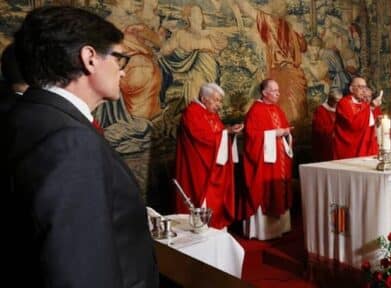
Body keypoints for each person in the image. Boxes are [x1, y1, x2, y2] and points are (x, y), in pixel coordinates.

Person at [5, 6, 158, 287]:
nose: (123, 73)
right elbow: (80, 272)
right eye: (119, 58)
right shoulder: (70, 142)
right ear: (89, 58)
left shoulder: (25, 115)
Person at [175, 83, 243, 229]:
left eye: (220, 101)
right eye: (216, 100)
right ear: (204, 98)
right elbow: (202, 139)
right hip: (199, 168)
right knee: (201, 202)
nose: (219, 105)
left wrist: (228, 132)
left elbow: (216, 134)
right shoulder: (192, 112)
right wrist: (227, 133)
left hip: (214, 167)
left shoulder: (211, 114)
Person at [243, 79, 294, 239]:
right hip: (265, 163)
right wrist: (274, 134)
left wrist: (286, 133)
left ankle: (281, 228)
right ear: (264, 92)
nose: (278, 93)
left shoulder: (278, 110)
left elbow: (284, 131)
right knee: (267, 190)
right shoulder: (255, 111)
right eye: (274, 90)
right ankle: (264, 232)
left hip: (280, 159)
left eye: (278, 90)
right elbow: (251, 137)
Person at [332, 77, 381, 159]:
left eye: (365, 87)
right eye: (361, 87)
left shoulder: (364, 104)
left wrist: (377, 123)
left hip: (364, 148)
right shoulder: (344, 103)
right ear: (351, 89)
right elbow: (353, 124)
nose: (364, 90)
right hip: (348, 150)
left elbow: (368, 128)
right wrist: (371, 107)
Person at [312, 89, 342, 162]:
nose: (337, 104)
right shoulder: (320, 110)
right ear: (330, 99)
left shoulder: (340, 109)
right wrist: (335, 131)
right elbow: (318, 128)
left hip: (338, 144)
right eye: (336, 101)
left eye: (339, 102)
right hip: (325, 146)